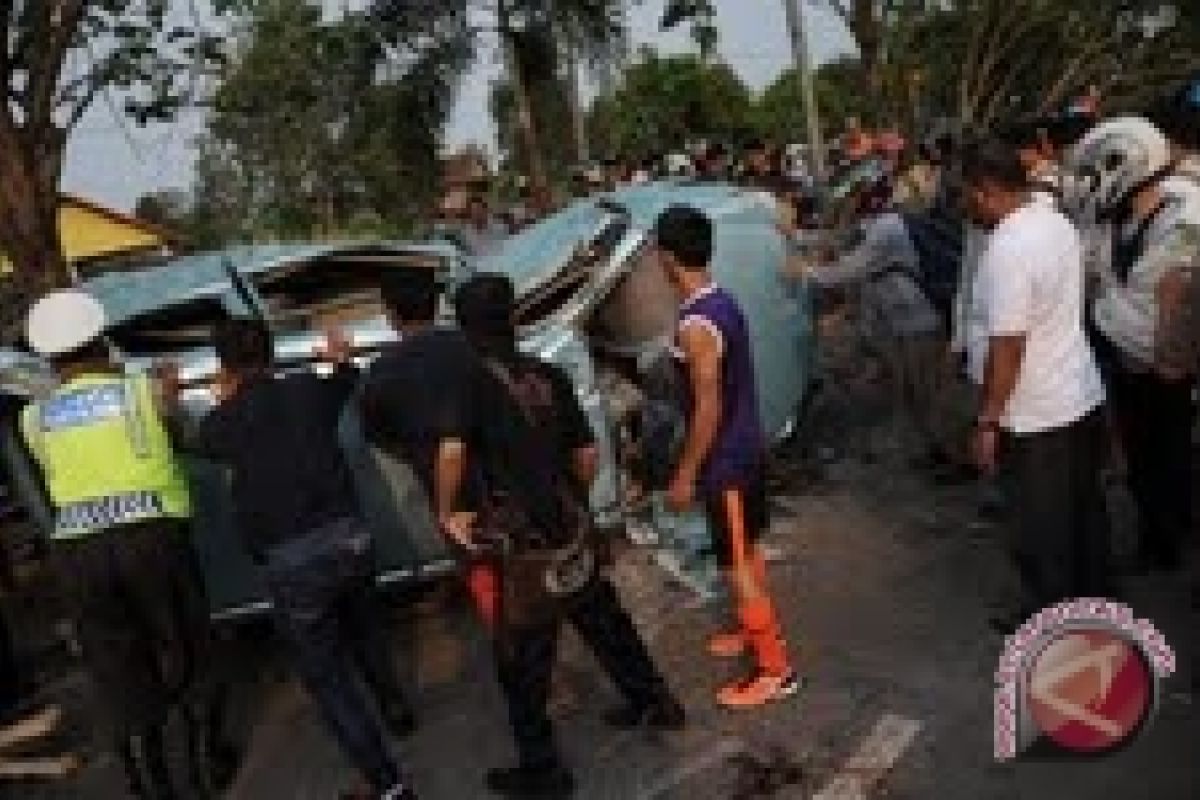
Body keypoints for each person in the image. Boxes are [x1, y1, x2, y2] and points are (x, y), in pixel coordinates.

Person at [359, 271, 683, 799]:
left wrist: (448, 513)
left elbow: (451, 451)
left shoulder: (468, 381)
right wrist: (569, 500)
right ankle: (655, 702)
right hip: (567, 524)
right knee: (603, 617)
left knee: (521, 659)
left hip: (520, 545)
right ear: (512, 318)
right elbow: (585, 457)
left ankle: (543, 771)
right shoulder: (547, 375)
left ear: (462, 326)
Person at [176, 318, 416, 800]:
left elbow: (194, 442)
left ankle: (388, 786)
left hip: (291, 563)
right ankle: (396, 709)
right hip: (349, 539)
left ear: (223, 367)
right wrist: (337, 353)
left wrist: (212, 399)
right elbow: (347, 380)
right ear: (269, 352)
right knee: (366, 624)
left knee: (329, 680)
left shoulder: (222, 422)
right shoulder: (308, 390)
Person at [20, 290, 237, 800]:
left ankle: (150, 785)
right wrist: (174, 394)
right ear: (100, 341)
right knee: (185, 649)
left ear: (51, 358)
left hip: (77, 552)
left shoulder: (34, 418)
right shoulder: (141, 392)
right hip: (151, 537)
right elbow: (184, 434)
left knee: (117, 669)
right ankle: (207, 768)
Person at [959, 139, 1110, 631]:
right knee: (1082, 512)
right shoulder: (1055, 222)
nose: (965, 206)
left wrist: (988, 420)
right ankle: (1096, 605)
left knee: (1038, 526)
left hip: (1034, 410)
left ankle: (1054, 622)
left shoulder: (1009, 248)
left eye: (967, 195)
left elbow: (1008, 346)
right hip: (1075, 392)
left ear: (984, 192)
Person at [654, 205, 800, 709]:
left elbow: (708, 405)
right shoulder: (720, 301)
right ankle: (749, 628)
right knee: (747, 551)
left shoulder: (697, 323)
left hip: (727, 461)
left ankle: (776, 669)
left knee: (736, 564)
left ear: (669, 258)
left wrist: (686, 474)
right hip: (746, 447)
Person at [1071, 117, 1199, 574]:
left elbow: (1152, 318)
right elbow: (1092, 279)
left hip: (1166, 368)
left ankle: (1169, 541)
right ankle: (1158, 537)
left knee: (1170, 457)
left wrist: (1103, 301)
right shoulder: (1112, 224)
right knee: (1141, 461)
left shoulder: (1185, 220)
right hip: (1126, 367)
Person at [809, 179, 966, 474]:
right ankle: (936, 451)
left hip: (919, 321)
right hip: (903, 321)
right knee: (911, 392)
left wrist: (806, 272)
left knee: (928, 392)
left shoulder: (886, 230)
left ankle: (959, 458)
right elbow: (844, 251)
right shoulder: (878, 226)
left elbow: (850, 269)